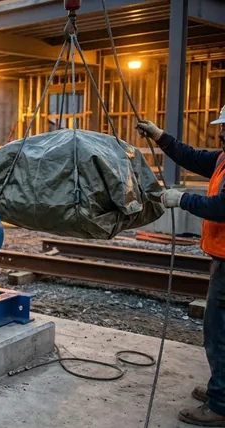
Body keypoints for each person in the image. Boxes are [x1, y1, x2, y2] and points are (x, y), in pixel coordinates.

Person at [137, 105, 225, 426]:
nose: (220, 132)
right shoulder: (222, 159)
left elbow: (221, 207)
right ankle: (221, 388)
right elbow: (192, 156)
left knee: (219, 331)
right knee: (219, 328)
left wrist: (182, 198)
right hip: (221, 257)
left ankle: (221, 404)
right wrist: (161, 138)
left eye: (224, 127)